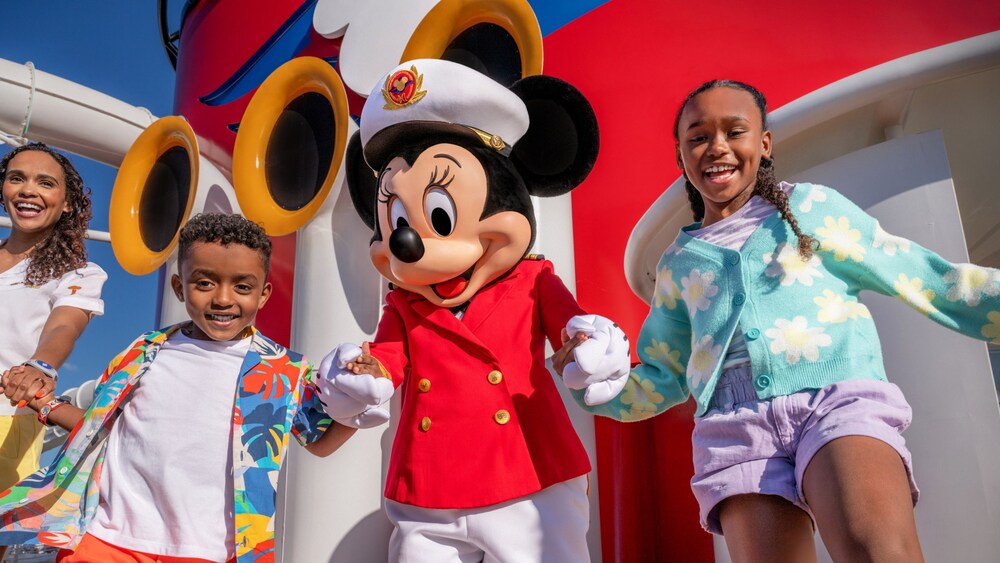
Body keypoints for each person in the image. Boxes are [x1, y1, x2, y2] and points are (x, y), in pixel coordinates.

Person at [576, 79, 1000, 563]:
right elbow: (664, 375)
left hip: (836, 399)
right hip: (734, 429)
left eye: (735, 131)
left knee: (877, 550)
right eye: (698, 137)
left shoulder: (813, 210)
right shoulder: (677, 264)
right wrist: (596, 386)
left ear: (764, 143)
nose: (717, 147)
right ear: (681, 155)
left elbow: (923, 276)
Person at [315, 59, 630, 562]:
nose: (408, 241)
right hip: (429, 492)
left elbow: (572, 330)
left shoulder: (534, 280)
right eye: (397, 218)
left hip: (530, 478)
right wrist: (361, 373)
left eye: (439, 214)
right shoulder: (403, 304)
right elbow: (386, 361)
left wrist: (588, 348)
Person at [0, 212, 356, 563]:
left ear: (263, 295)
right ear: (178, 287)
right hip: (107, 538)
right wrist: (43, 403)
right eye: (204, 282)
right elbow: (100, 426)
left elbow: (321, 442)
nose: (222, 298)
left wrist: (359, 408)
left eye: (242, 287)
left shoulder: (285, 370)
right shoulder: (143, 351)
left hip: (212, 551)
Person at [0, 142, 106, 492]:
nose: (29, 189)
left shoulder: (78, 275)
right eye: (17, 178)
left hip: (9, 419)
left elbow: (64, 325)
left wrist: (39, 368)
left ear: (67, 204)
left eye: (45, 183)